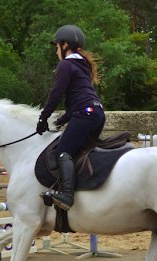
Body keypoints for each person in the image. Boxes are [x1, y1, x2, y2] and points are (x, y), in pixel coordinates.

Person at [36, 24, 104, 211]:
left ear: (65, 45)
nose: (56, 51)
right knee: (79, 152)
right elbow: (78, 101)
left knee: (63, 151)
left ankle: (66, 195)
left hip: (85, 114)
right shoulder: (82, 65)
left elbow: (56, 94)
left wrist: (43, 118)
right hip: (97, 113)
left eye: (57, 46)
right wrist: (61, 121)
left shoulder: (66, 64)